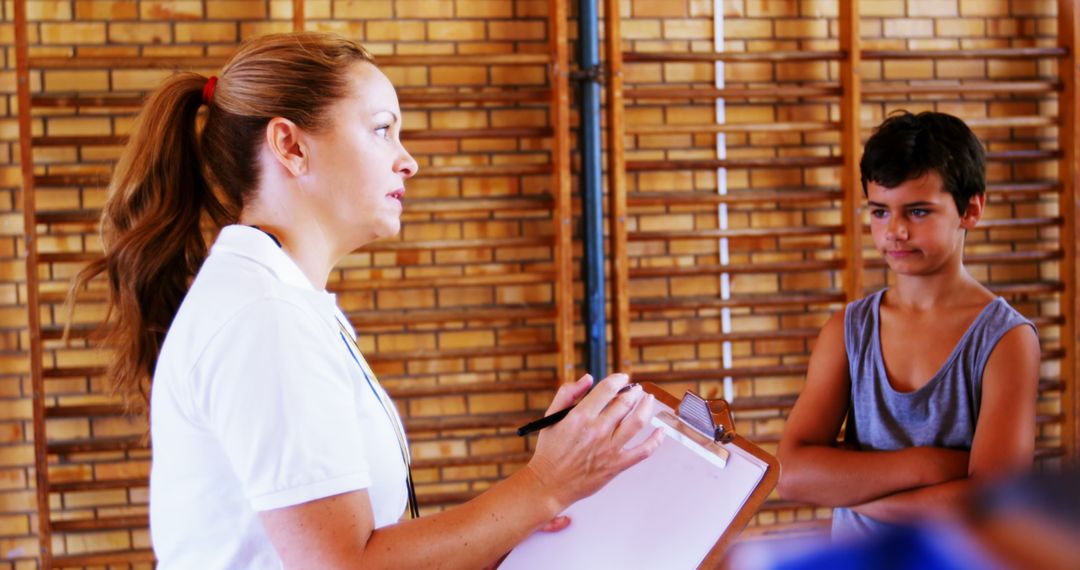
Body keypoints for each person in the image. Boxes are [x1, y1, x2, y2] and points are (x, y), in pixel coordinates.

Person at [69, 32, 662, 568]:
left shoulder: (286, 303)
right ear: (291, 146)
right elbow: (345, 567)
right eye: (382, 129)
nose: (408, 159)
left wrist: (519, 520)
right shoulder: (264, 316)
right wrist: (544, 483)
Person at [776, 111, 1041, 540]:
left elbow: (994, 502)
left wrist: (855, 492)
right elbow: (790, 473)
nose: (894, 231)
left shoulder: (1005, 340)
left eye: (917, 211)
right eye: (880, 212)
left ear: (970, 210)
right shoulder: (848, 331)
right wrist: (928, 465)